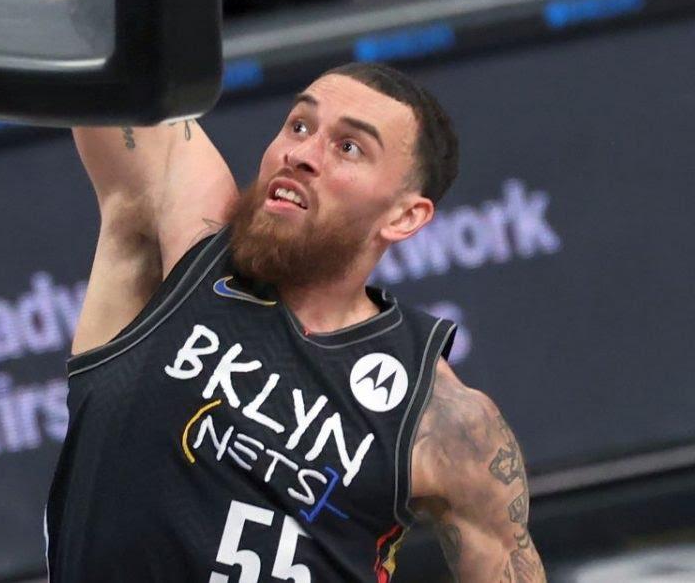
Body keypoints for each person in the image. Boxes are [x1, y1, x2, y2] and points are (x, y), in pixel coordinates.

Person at [45, 62, 546, 581]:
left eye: (348, 147)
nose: (301, 153)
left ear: (404, 217)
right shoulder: (189, 243)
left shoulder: (440, 417)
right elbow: (106, 67)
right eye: (299, 125)